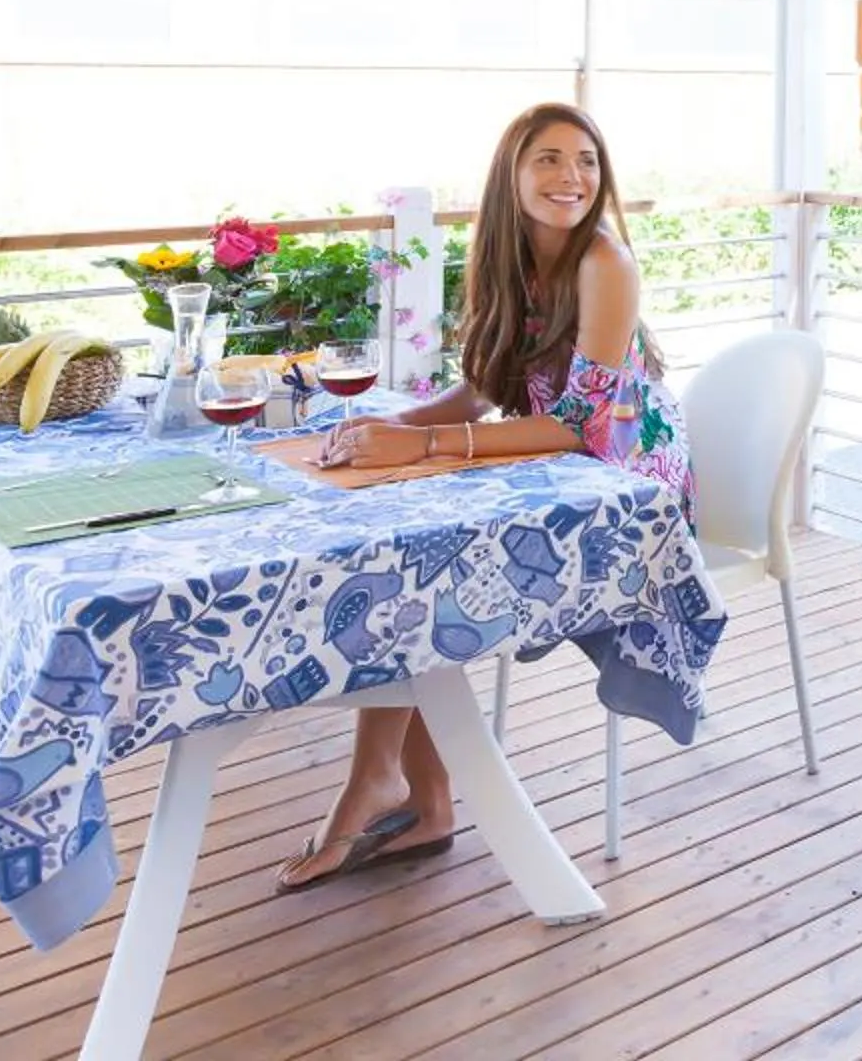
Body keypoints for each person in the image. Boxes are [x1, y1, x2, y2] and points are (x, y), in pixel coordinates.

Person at [276, 99, 684, 893]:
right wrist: (384, 424)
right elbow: (486, 389)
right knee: (412, 552)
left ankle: (385, 786)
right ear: (512, 175)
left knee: (430, 564)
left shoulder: (604, 263)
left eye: (587, 161)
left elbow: (578, 426)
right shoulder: (511, 259)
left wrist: (423, 444)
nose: (573, 177)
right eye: (550, 160)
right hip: (551, 462)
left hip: (629, 490)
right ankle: (417, 800)